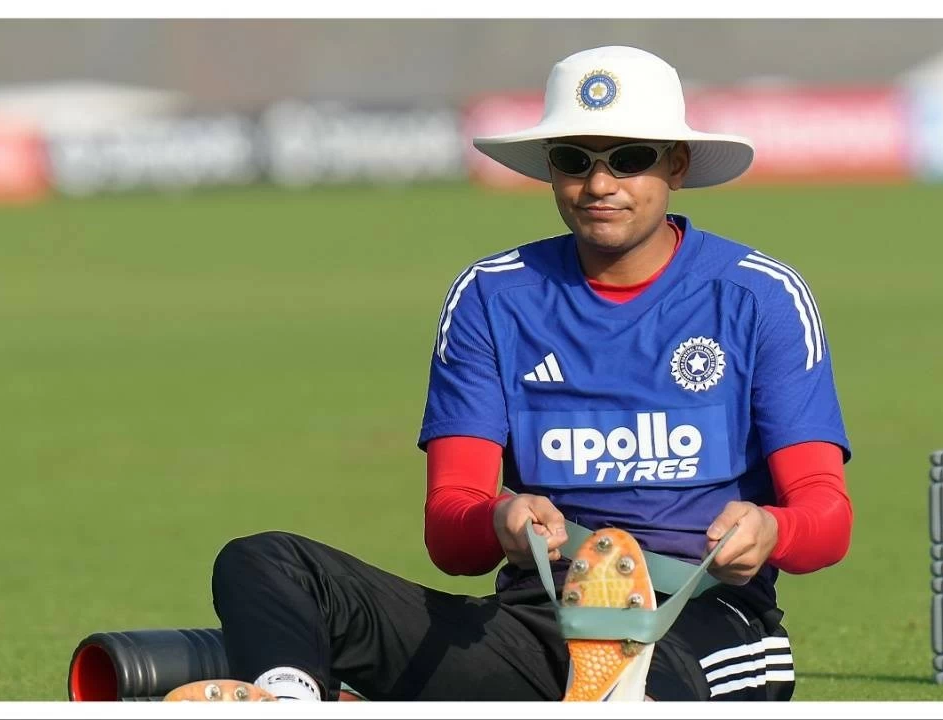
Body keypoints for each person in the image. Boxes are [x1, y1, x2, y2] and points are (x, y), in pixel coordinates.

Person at [204, 44, 853, 702]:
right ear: (550, 169)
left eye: (628, 159)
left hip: (702, 624)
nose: (599, 185)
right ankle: (289, 696)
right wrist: (501, 519)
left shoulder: (758, 295)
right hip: (538, 621)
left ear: (676, 164)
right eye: (575, 160)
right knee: (264, 563)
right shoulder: (492, 296)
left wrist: (774, 529)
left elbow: (827, 517)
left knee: (627, 696)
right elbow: (452, 535)